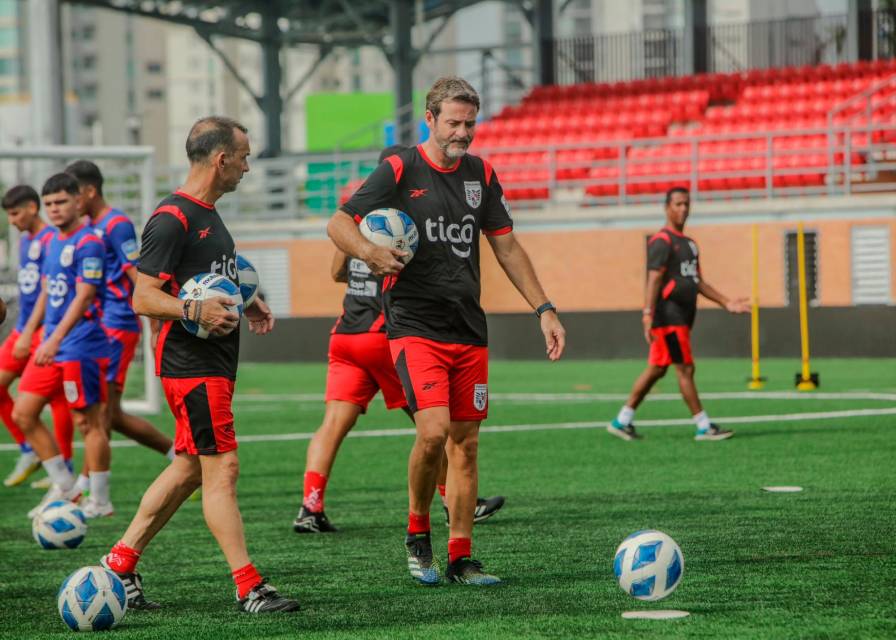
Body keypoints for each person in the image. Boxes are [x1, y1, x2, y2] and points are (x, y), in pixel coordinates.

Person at [328, 77, 566, 586]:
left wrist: (543, 307)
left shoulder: (482, 173)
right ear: (430, 120)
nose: (463, 133)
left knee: (467, 444)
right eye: (453, 122)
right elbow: (339, 223)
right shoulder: (399, 168)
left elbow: (506, 247)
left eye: (470, 123)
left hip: (468, 328)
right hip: (414, 324)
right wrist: (370, 252)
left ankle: (461, 556)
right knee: (432, 433)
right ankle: (418, 532)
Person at [98, 116, 298, 614]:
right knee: (221, 468)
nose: (249, 167)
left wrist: (247, 299)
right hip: (192, 366)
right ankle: (249, 586)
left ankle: (119, 565)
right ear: (220, 159)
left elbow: (208, 280)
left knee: (188, 468)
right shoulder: (172, 218)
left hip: (209, 363)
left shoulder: (208, 213)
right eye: (245, 157)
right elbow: (144, 296)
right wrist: (192, 310)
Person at [294, 146, 504, 534]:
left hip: (345, 334)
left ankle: (310, 505)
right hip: (384, 334)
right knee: (434, 429)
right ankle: (455, 500)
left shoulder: (359, 221)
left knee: (332, 425)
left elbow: (337, 270)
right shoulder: (407, 221)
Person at [65, 160, 174, 501]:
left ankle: (86, 489)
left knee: (103, 413)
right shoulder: (90, 226)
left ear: (89, 191)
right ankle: (179, 459)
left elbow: (137, 277)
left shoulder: (117, 224)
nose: (69, 201)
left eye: (72, 193)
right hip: (101, 325)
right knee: (109, 415)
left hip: (117, 324)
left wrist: (154, 324)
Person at [607, 187, 749, 442]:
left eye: (686, 204)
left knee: (657, 369)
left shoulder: (690, 244)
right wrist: (648, 314)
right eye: (678, 204)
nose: (683, 209)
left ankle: (622, 420)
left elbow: (698, 282)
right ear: (667, 207)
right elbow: (654, 279)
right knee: (685, 369)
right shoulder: (662, 241)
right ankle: (704, 426)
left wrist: (727, 302)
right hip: (668, 318)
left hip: (682, 316)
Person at [14, 174, 112, 518]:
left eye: (61, 202)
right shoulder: (53, 241)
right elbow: (46, 289)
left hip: (80, 344)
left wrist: (54, 339)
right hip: (51, 343)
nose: (55, 209)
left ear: (77, 202)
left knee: (89, 423)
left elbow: (85, 295)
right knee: (22, 412)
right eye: (50, 203)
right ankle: (66, 487)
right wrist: (29, 332)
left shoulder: (90, 242)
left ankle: (100, 500)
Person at [0, 186, 74, 488]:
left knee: (57, 397)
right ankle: (31, 449)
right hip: (24, 328)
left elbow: (48, 289)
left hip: (42, 330)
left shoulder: (51, 240)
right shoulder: (26, 240)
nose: (12, 221)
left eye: (16, 213)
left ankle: (63, 465)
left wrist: (30, 331)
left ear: (33, 208)